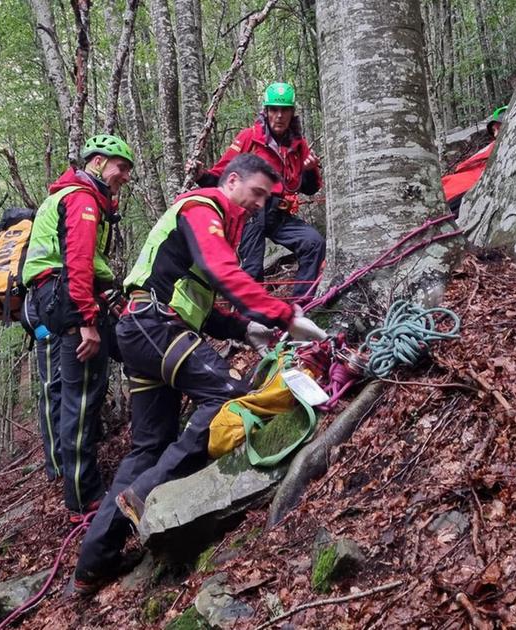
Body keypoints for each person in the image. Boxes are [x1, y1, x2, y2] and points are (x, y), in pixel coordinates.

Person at [71, 153, 328, 594]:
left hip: (146, 331)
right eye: (257, 193)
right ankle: (145, 493)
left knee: (150, 445)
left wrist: (246, 329)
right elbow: (219, 273)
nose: (260, 205)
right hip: (153, 326)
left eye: (267, 198)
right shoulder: (201, 208)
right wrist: (281, 314)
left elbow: (201, 308)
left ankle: (93, 562)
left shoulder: (215, 228)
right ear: (231, 182)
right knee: (229, 396)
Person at [20, 134, 134, 520]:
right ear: (99, 162)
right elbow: (80, 261)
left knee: (80, 394)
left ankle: (78, 484)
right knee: (83, 399)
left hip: (54, 299)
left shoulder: (70, 196)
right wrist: (87, 320)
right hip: (68, 303)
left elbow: (87, 261)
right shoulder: (83, 200)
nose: (125, 177)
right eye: (122, 167)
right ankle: (83, 498)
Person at [198, 82, 324, 298]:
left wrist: (310, 170)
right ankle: (251, 322)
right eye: (274, 109)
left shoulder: (298, 144)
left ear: (292, 113)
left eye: (285, 110)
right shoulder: (249, 137)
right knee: (252, 268)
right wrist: (201, 176)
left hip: (280, 214)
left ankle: (301, 306)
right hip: (251, 214)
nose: (279, 116)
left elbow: (309, 188)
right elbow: (222, 174)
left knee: (313, 242)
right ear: (265, 112)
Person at [442, 106, 507, 214]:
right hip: (455, 188)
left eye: (498, 128)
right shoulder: (491, 148)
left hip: (463, 191)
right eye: (494, 130)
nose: (495, 134)